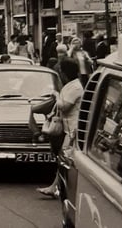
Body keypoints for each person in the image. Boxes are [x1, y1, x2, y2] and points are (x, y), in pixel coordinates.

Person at [37, 58, 83, 198]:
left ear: (64, 72)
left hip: (73, 130)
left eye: (61, 70)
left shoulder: (75, 87)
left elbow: (64, 106)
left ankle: (63, 189)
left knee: (67, 160)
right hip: (68, 129)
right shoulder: (70, 85)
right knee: (64, 159)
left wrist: (56, 95)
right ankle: (55, 187)